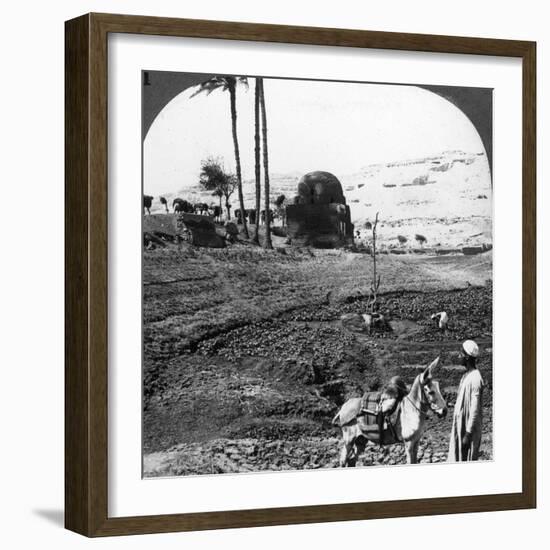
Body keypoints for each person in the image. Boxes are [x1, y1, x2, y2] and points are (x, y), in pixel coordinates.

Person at [448, 340, 485, 461]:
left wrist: (468, 434)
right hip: (461, 425)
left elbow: (474, 409)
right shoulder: (466, 375)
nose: (459, 356)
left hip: (467, 430)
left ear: (467, 357)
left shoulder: (475, 378)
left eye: (461, 353)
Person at [373, 376, 408, 445]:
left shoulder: (397, 389)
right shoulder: (390, 396)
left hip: (392, 397)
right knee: (383, 411)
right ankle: (381, 436)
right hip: (388, 400)